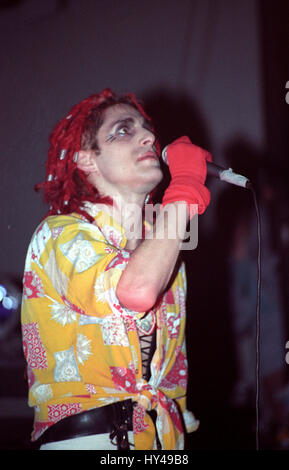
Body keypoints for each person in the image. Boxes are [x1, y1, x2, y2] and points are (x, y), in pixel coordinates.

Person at [21, 88, 211, 450]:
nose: (150, 138)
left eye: (147, 128)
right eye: (124, 130)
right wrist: (185, 188)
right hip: (86, 440)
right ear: (86, 160)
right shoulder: (58, 235)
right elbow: (135, 290)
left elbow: (173, 379)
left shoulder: (167, 254)